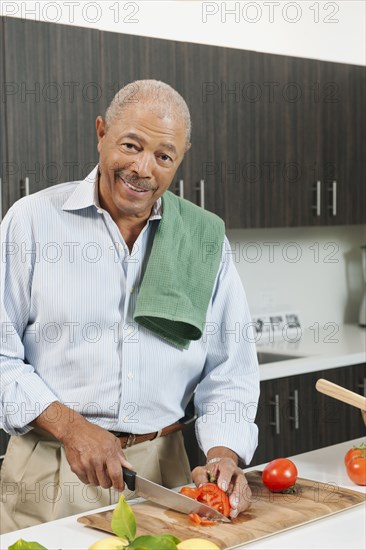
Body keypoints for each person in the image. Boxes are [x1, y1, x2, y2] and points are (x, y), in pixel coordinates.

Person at [0, 79, 259, 534]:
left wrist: (222, 455)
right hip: (53, 468)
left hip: (164, 473)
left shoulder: (203, 240)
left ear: (181, 157)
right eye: (130, 145)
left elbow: (229, 371)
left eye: (164, 156)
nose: (143, 169)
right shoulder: (31, 221)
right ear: (101, 132)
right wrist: (71, 427)